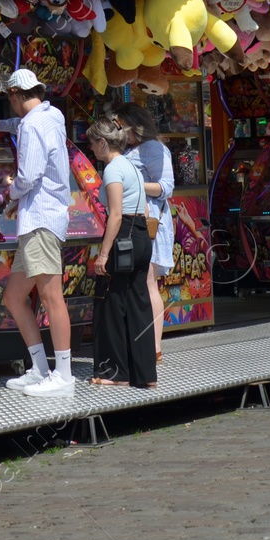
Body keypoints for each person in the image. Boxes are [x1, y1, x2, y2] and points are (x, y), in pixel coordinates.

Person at [0, 68, 76, 399]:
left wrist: (12, 192)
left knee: (51, 297)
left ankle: (64, 375)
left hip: (40, 217)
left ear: (15, 94)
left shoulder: (30, 125)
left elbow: (28, 175)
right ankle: (41, 369)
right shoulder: (53, 115)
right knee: (14, 298)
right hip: (44, 218)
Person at [85, 117, 158, 389]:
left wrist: (104, 254)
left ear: (103, 142)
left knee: (111, 304)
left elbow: (115, 215)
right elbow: (146, 208)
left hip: (123, 234)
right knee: (138, 304)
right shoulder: (132, 166)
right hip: (140, 235)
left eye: (92, 143)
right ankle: (145, 373)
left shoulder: (113, 170)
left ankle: (115, 372)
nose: (91, 148)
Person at [119, 104, 174, 361]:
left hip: (151, 223)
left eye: (122, 125)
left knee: (148, 284)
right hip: (135, 221)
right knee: (140, 284)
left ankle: (153, 347)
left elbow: (166, 187)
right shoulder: (131, 149)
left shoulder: (153, 148)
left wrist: (133, 182)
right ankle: (145, 345)